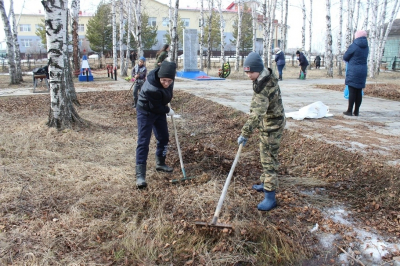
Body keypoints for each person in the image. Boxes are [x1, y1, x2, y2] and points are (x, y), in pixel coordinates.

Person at [237, 52, 286, 211]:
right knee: (264, 153)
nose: (249, 75)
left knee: (268, 159)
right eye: (246, 72)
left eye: (251, 72)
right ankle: (265, 184)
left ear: (258, 70)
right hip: (269, 122)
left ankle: (270, 196)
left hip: (272, 125)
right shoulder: (263, 78)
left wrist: (245, 133)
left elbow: (257, 114)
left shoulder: (264, 86)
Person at [135, 61, 177, 189]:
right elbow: (156, 106)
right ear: (159, 76)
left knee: (164, 137)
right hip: (146, 111)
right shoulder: (151, 88)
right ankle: (140, 176)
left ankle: (160, 163)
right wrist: (167, 110)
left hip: (158, 110)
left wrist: (166, 101)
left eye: (169, 81)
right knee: (143, 141)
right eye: (164, 80)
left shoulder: (168, 79)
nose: (166, 83)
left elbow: (164, 96)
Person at [343, 30, 369, 116]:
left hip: (353, 70)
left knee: (352, 91)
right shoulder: (366, 47)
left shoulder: (354, 46)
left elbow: (346, 56)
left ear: (356, 36)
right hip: (363, 70)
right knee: (359, 91)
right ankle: (356, 111)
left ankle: (349, 110)